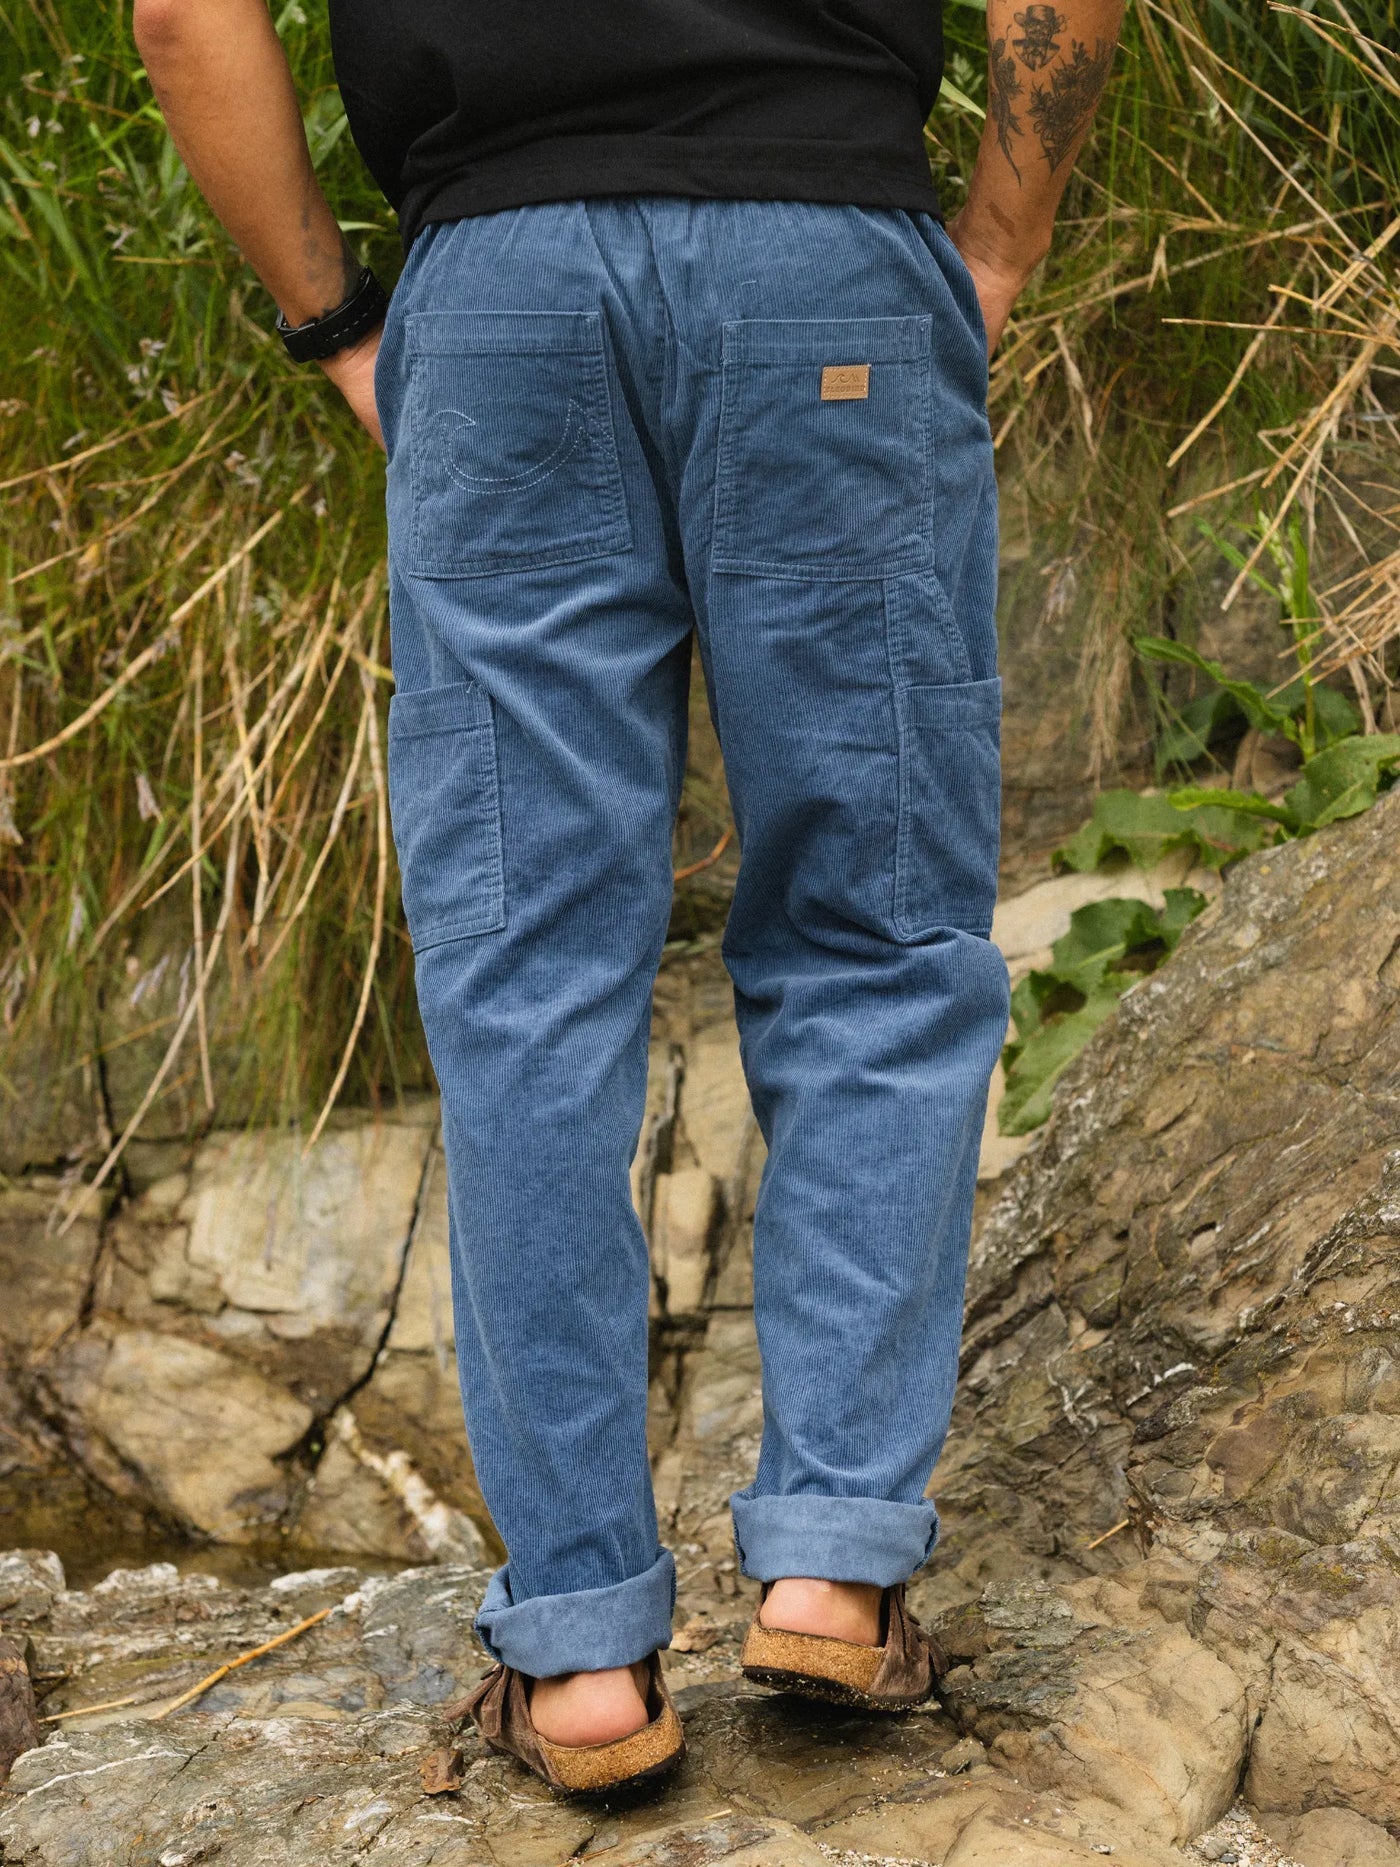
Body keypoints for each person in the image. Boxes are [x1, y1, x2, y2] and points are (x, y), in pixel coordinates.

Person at [133, 0, 1124, 1793]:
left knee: (527, 979)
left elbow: (182, 13)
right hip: (828, 258)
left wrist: (336, 315)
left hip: (501, 292)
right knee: (879, 936)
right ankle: (830, 1559)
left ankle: (585, 1654)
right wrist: (997, 231)